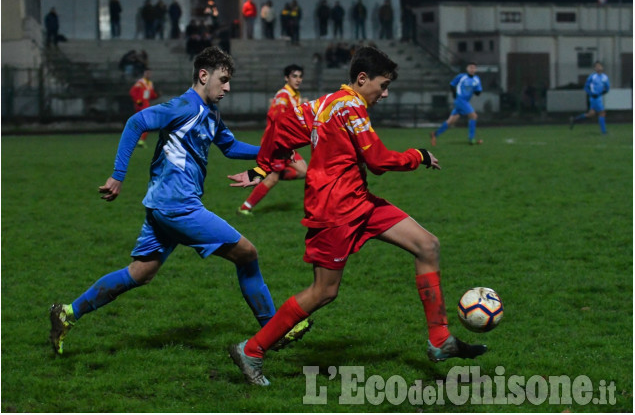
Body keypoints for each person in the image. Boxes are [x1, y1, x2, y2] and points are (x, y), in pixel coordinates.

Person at [227, 46, 487, 386]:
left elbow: (282, 129)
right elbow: (378, 161)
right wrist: (417, 155)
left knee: (427, 245)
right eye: (383, 85)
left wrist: (263, 167)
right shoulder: (351, 107)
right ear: (362, 79)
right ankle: (252, 349)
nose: (385, 93)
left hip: (359, 201)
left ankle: (439, 340)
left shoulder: (324, 103)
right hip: (334, 211)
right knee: (323, 291)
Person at [49, 47, 311, 357]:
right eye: (223, 80)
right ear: (204, 75)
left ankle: (67, 312)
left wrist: (274, 151)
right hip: (178, 205)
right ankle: (275, 329)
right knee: (247, 253)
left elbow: (229, 146)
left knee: (140, 272)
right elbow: (136, 122)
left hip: (163, 205)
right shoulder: (183, 107)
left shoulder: (211, 112)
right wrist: (118, 175)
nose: (227, 88)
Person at [237, 65, 308, 216]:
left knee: (304, 171)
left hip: (286, 143)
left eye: (300, 76)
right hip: (276, 143)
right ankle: (245, 208)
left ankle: (272, 174)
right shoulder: (284, 95)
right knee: (273, 178)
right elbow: (278, 119)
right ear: (286, 78)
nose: (298, 79)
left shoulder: (293, 94)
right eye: (294, 76)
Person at [430, 62, 483, 146]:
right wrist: (454, 94)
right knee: (473, 116)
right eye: (470, 67)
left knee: (451, 121)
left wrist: (477, 91)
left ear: (476, 69)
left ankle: (435, 134)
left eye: (474, 68)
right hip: (460, 100)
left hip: (465, 101)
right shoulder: (461, 77)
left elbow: (478, 91)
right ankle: (471, 138)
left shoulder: (476, 79)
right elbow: (452, 84)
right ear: (467, 68)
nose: (472, 69)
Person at [569, 61, 610, 134]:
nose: (598, 67)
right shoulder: (592, 77)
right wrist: (591, 94)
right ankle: (604, 132)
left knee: (591, 114)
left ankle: (575, 119)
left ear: (602, 67)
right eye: (596, 66)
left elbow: (607, 87)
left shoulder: (605, 77)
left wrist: (604, 92)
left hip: (599, 97)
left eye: (599, 66)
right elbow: (586, 87)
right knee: (602, 113)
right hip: (594, 98)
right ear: (594, 68)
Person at [129, 69, 159, 148]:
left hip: (145, 105)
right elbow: (132, 92)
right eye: (147, 73)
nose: (148, 74)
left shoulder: (150, 83)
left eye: (149, 73)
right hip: (141, 105)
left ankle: (137, 139)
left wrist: (156, 95)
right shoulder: (140, 83)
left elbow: (150, 95)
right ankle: (141, 140)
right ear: (144, 74)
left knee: (141, 123)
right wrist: (138, 101)